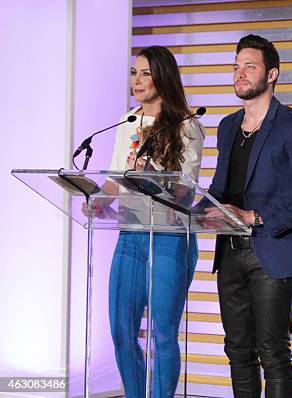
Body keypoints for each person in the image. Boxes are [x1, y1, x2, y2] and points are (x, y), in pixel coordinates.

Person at [195, 34, 292, 397]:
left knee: (273, 352)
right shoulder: (226, 126)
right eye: (236, 67)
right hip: (231, 252)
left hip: (274, 249)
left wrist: (255, 216)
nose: (240, 74)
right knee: (237, 351)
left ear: (271, 75)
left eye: (249, 67)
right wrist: (186, 210)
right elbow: (219, 190)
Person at [85, 45, 204, 398]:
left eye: (145, 73)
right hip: (131, 234)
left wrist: (151, 175)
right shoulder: (128, 122)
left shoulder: (187, 125)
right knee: (122, 331)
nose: (136, 80)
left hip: (169, 236)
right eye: (133, 73)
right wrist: (97, 199)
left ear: (163, 77)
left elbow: (186, 191)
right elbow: (113, 179)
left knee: (163, 332)